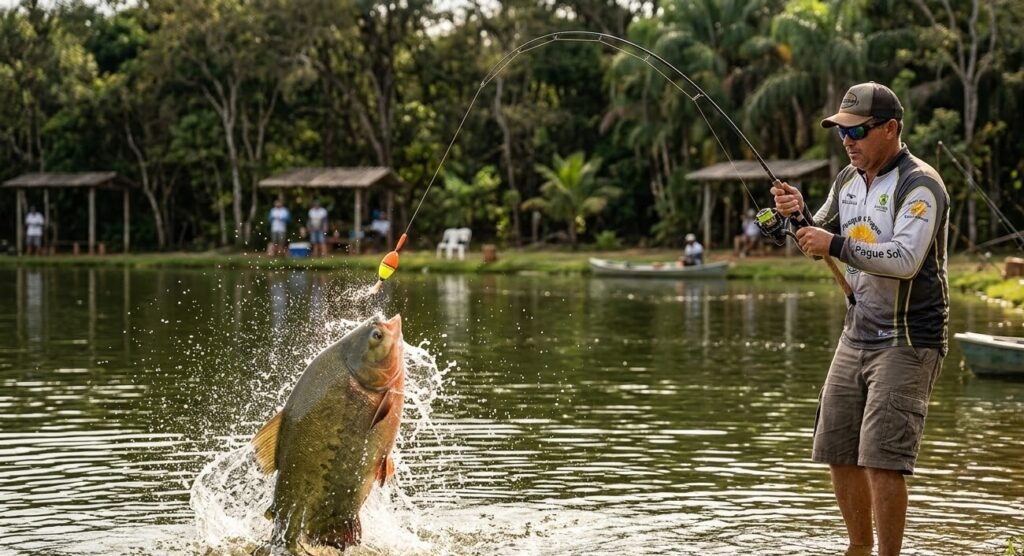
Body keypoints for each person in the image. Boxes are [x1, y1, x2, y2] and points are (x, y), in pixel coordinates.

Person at [771, 82, 949, 556]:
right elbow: (820, 234)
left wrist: (830, 243)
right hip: (857, 334)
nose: (848, 141)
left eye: (858, 131)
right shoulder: (847, 180)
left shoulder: (921, 184)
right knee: (838, 450)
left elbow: (905, 258)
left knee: (881, 461)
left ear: (890, 129)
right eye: (842, 133)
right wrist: (795, 216)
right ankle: (858, 550)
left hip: (909, 337)